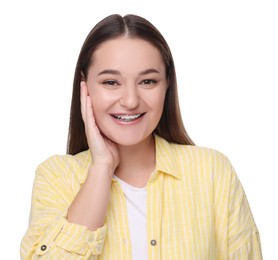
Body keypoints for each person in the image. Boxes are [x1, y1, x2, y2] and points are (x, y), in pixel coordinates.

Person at [20, 14, 262, 259]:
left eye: (148, 81)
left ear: (167, 84)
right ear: (85, 87)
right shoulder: (55, 177)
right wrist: (101, 167)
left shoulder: (213, 171)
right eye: (111, 82)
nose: (131, 101)